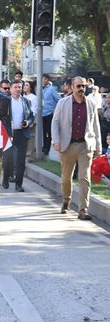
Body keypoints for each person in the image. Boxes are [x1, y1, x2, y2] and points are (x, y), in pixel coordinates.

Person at [51, 76, 102, 220]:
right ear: (72, 87)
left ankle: (83, 210)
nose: (81, 89)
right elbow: (55, 123)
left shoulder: (91, 104)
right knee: (66, 177)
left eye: (83, 86)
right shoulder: (63, 103)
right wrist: (56, 141)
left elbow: (95, 126)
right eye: (78, 86)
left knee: (84, 178)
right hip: (67, 146)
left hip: (85, 146)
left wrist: (98, 146)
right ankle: (66, 200)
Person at [0, 80, 35, 192]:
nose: (18, 89)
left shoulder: (26, 101)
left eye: (19, 87)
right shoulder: (5, 101)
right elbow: (3, 118)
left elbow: (31, 115)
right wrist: (8, 133)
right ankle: (6, 178)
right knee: (8, 158)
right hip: (9, 134)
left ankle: (19, 184)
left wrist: (28, 122)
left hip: (22, 133)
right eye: (15, 87)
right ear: (11, 89)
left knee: (20, 160)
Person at [41, 73, 60, 157]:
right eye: (42, 79)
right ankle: (43, 147)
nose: (43, 81)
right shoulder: (39, 89)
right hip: (41, 114)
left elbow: (59, 100)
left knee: (49, 132)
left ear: (48, 80)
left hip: (49, 114)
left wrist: (55, 110)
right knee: (42, 132)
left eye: (45, 79)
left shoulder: (51, 89)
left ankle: (47, 149)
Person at [23, 80, 38, 161]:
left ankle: (30, 156)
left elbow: (34, 110)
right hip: (23, 120)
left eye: (27, 85)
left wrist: (31, 121)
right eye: (24, 85)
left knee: (31, 138)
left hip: (30, 120)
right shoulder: (23, 97)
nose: (24, 87)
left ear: (31, 87)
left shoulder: (34, 97)